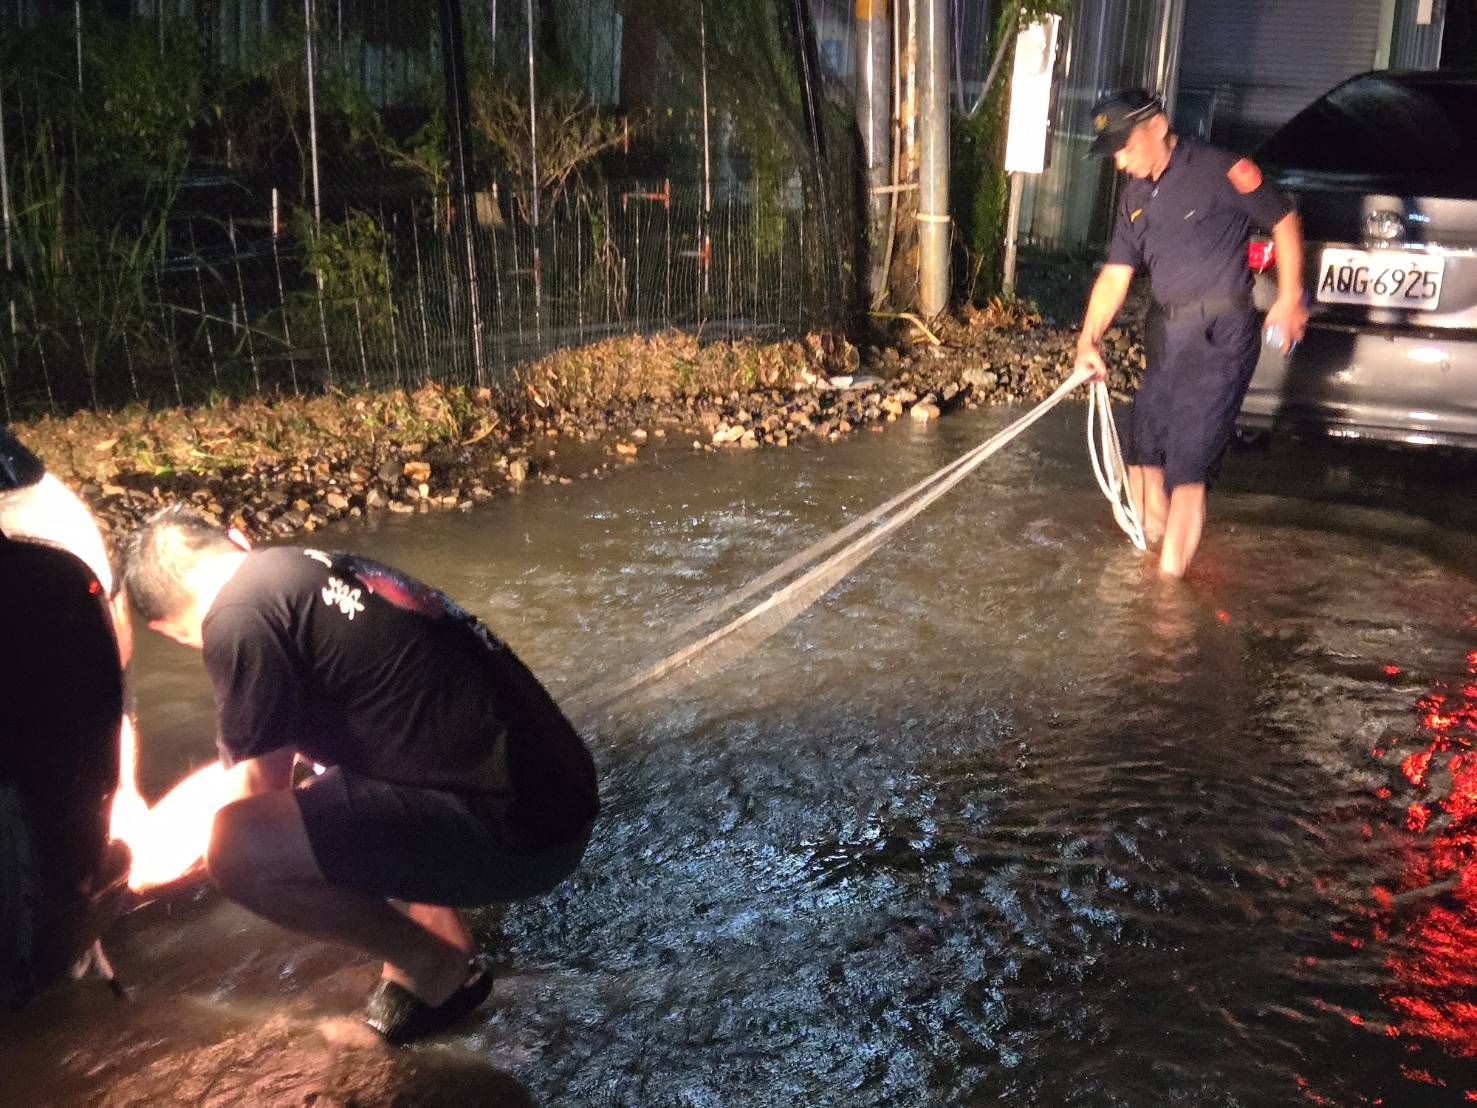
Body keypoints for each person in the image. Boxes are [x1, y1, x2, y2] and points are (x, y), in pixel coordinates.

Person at [121, 506, 599, 1044]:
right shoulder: (302, 572)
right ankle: (440, 932)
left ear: (165, 627)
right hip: (560, 801)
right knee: (322, 765)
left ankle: (429, 962)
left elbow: (252, 805)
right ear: (237, 538)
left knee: (236, 849)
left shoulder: (236, 618)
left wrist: (141, 871)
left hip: (518, 837)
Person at [1073, 88, 1309, 578]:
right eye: (1114, 152)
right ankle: (1153, 561)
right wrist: (1088, 340)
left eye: (1126, 146)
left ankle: (1167, 599)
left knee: (1187, 471)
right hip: (1167, 331)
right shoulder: (1135, 196)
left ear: (1157, 126)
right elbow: (1117, 273)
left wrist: (1288, 298)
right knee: (1141, 457)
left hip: (1221, 332)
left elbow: (1283, 220)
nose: (1120, 161)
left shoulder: (1220, 170)